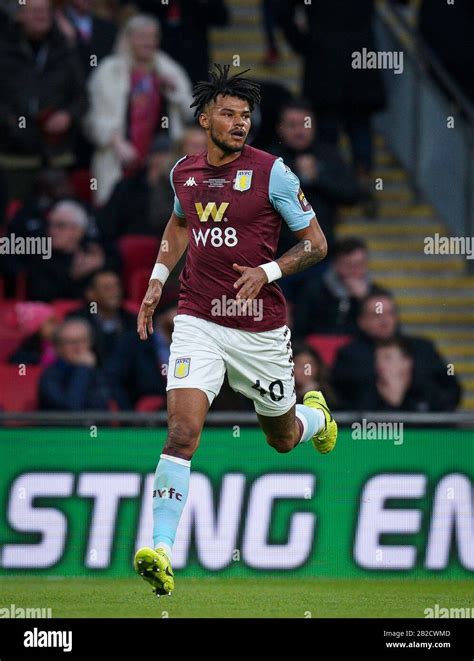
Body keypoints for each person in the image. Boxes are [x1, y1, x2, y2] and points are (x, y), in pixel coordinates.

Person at [133, 64, 338, 597]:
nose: (240, 123)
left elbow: (317, 243)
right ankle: (160, 549)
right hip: (198, 318)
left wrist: (267, 271)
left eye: (246, 115)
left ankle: (313, 417)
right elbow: (181, 223)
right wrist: (158, 280)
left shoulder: (274, 173)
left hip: (260, 331)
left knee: (283, 439)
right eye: (228, 113)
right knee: (181, 432)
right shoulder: (184, 172)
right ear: (204, 119)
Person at [84, 13, 193, 204]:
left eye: (153, 37)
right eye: (142, 36)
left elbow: (191, 111)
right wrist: (117, 142)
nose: (148, 42)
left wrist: (174, 91)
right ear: (128, 38)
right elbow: (94, 121)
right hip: (117, 158)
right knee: (114, 212)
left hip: (159, 163)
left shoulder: (169, 69)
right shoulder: (109, 71)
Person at [0, 0, 86, 201]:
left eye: (46, 11)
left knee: (58, 220)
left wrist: (68, 115)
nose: (42, 16)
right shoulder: (4, 50)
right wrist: (12, 122)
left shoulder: (64, 49)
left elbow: (82, 96)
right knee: (15, 220)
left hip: (57, 156)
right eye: (35, 11)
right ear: (19, 15)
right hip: (13, 157)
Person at [331, 292, 462, 411]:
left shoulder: (422, 349)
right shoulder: (349, 355)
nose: (385, 321)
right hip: (367, 431)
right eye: (377, 315)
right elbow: (340, 399)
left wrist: (411, 384)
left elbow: (451, 390)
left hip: (424, 430)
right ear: (362, 321)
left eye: (390, 313)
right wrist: (381, 385)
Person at [293, 237, 388, 338]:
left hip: (361, 348)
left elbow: (383, 325)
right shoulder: (313, 289)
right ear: (335, 264)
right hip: (319, 346)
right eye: (350, 266)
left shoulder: (376, 293)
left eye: (361, 264)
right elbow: (300, 327)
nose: (356, 271)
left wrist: (365, 300)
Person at [25, 200, 116, 301]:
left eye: (60, 226)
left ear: (78, 230)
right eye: (50, 225)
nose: (52, 231)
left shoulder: (92, 254)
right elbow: (40, 296)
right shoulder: (41, 257)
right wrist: (73, 277)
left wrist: (100, 264)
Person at [39, 318, 112, 410]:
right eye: (71, 342)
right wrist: (83, 369)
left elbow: (103, 411)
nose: (78, 347)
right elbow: (72, 409)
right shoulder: (50, 376)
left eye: (82, 341)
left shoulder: (98, 372)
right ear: (58, 347)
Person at [66, 269, 136, 364]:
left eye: (117, 286)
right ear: (91, 294)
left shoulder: (132, 320)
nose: (115, 292)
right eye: (107, 288)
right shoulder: (77, 321)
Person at [8, 302, 58, 366]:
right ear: (36, 327)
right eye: (52, 322)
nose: (57, 325)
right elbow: (21, 373)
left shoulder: (63, 346)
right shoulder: (25, 355)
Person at [293, 342, 338, 408]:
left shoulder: (329, 393)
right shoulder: (281, 396)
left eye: (310, 365)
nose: (306, 371)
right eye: (300, 365)